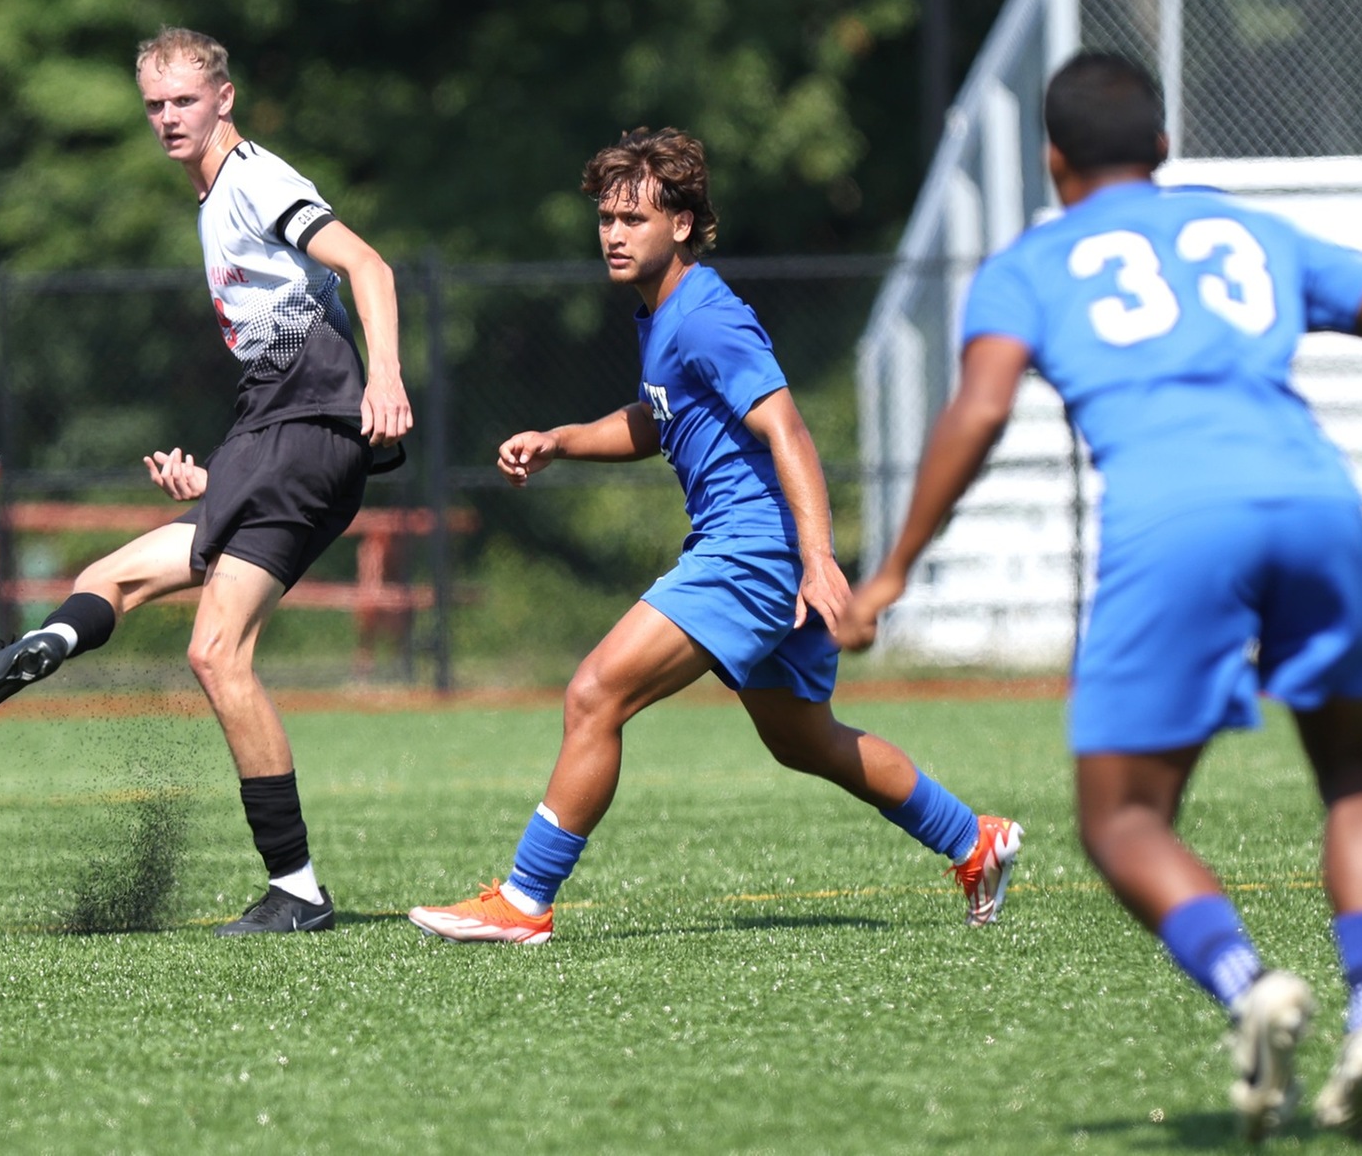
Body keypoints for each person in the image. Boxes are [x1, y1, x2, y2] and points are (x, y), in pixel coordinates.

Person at [836, 51, 1362, 1141]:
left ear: (1051, 161)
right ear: (1164, 150)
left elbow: (979, 412)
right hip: (1315, 502)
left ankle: (1245, 986)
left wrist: (890, 569)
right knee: (1354, 773)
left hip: (1174, 522)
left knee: (1121, 816)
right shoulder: (1247, 233)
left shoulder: (1029, 265)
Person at [407, 128, 1020, 945]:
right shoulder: (660, 317)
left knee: (595, 693)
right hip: (751, 546)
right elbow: (656, 420)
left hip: (755, 548)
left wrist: (814, 560)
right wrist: (561, 439)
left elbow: (789, 432)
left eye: (634, 218)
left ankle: (524, 900)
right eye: (606, 219)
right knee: (804, 741)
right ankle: (971, 840)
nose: (615, 234)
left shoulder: (704, 317)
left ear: (683, 225)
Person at [0, 27, 411, 935]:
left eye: (183, 101)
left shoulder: (256, 178)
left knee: (214, 650)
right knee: (118, 580)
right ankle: (46, 650)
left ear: (223, 98)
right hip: (279, 438)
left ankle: (296, 891)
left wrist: (384, 377)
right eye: (153, 104)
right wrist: (217, 475)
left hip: (309, 429)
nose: (166, 119)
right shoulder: (211, 202)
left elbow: (368, 265)